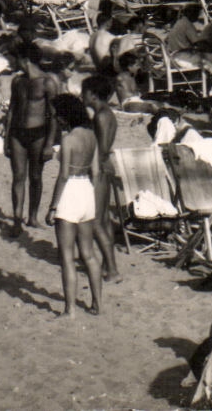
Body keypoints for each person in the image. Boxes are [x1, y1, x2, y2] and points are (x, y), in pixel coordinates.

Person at [46, 93, 103, 317]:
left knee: (67, 257)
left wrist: (52, 207)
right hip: (86, 191)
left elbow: (62, 176)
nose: (56, 119)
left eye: (57, 115)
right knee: (88, 254)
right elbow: (96, 172)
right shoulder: (92, 136)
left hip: (69, 192)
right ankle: (97, 304)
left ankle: (70, 309)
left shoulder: (68, 139)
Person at [2, 45, 58, 233]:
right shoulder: (17, 81)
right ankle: (17, 220)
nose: (13, 62)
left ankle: (32, 217)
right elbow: (11, 111)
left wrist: (50, 143)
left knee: (35, 176)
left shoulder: (47, 83)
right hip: (17, 133)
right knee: (18, 177)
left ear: (25, 59)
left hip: (38, 134)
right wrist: (6, 138)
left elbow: (53, 115)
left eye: (15, 59)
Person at [81, 74, 121, 282]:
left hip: (100, 168)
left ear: (93, 94)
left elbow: (102, 148)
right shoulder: (105, 113)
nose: (81, 95)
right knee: (104, 219)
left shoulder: (102, 116)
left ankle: (112, 269)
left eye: (84, 92)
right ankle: (108, 265)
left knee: (95, 221)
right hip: (104, 168)